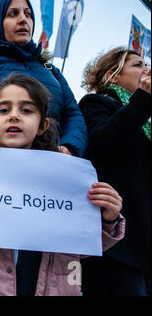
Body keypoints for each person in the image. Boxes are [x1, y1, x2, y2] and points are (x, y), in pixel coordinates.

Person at [0, 74, 125, 296]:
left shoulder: (67, 180)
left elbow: (82, 248)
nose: (14, 116)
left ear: (42, 125)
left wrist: (108, 218)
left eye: (27, 110)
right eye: (3, 110)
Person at [0, 0, 87, 157]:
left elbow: (73, 114)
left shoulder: (51, 70)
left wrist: (68, 147)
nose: (23, 20)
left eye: (28, 14)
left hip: (53, 162)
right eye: (13, 14)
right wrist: (19, 141)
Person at [79, 47, 151, 296]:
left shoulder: (147, 121)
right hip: (116, 244)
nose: (146, 69)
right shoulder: (96, 103)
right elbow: (104, 145)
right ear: (112, 75)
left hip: (144, 243)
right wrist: (144, 98)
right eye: (138, 64)